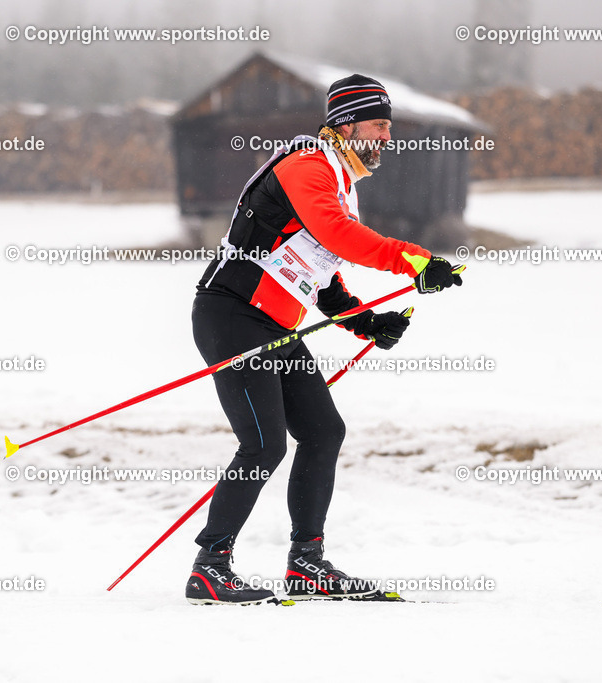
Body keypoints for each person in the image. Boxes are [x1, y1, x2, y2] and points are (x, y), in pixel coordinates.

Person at [185, 74, 463, 605]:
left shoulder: (340, 180)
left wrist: (367, 323)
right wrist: (416, 261)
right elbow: (338, 235)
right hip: (232, 315)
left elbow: (320, 275)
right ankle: (210, 565)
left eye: (389, 126)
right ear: (347, 122)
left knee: (322, 431)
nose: (386, 137)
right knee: (263, 443)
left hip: (273, 324)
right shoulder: (308, 164)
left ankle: (306, 564)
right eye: (378, 125)